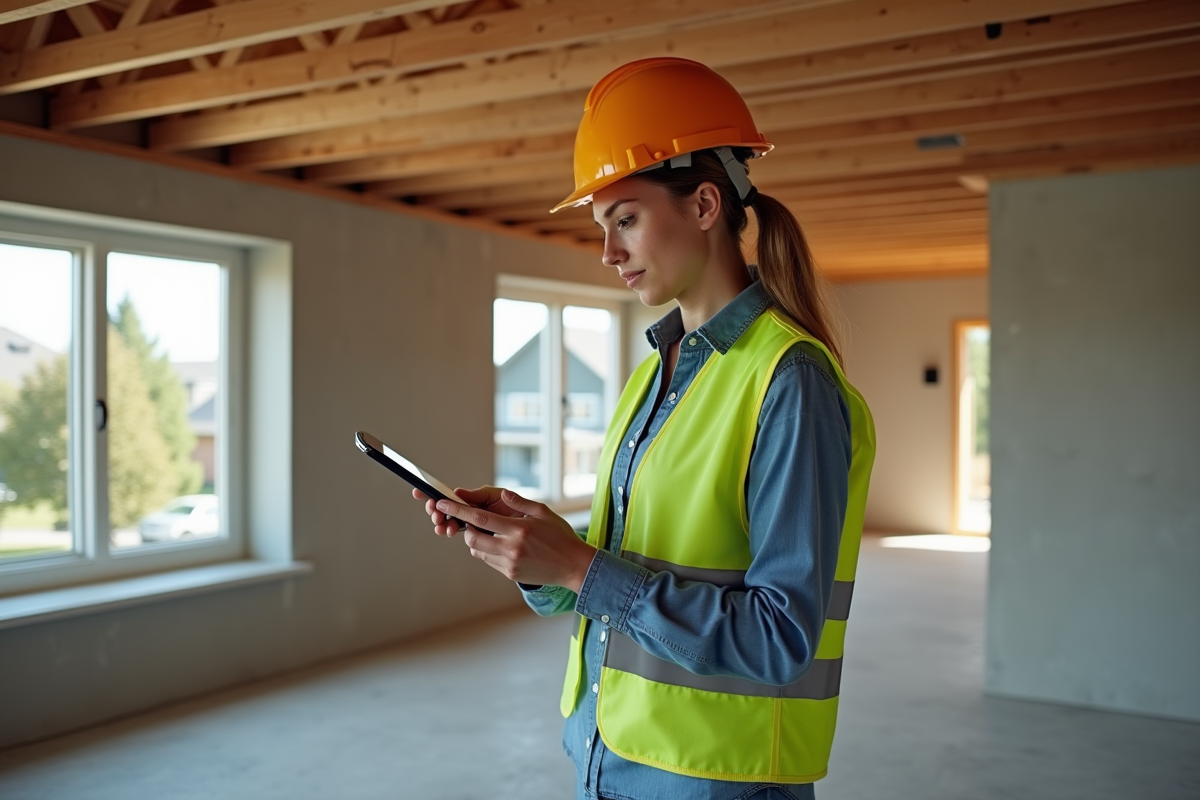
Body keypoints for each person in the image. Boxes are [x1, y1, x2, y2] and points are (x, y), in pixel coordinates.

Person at [416, 57, 875, 800]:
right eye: (603, 228)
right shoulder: (647, 376)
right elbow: (609, 573)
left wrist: (578, 568)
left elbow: (782, 636)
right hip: (607, 756)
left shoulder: (790, 381)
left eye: (624, 219)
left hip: (717, 780)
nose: (607, 252)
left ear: (702, 206)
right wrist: (537, 550)